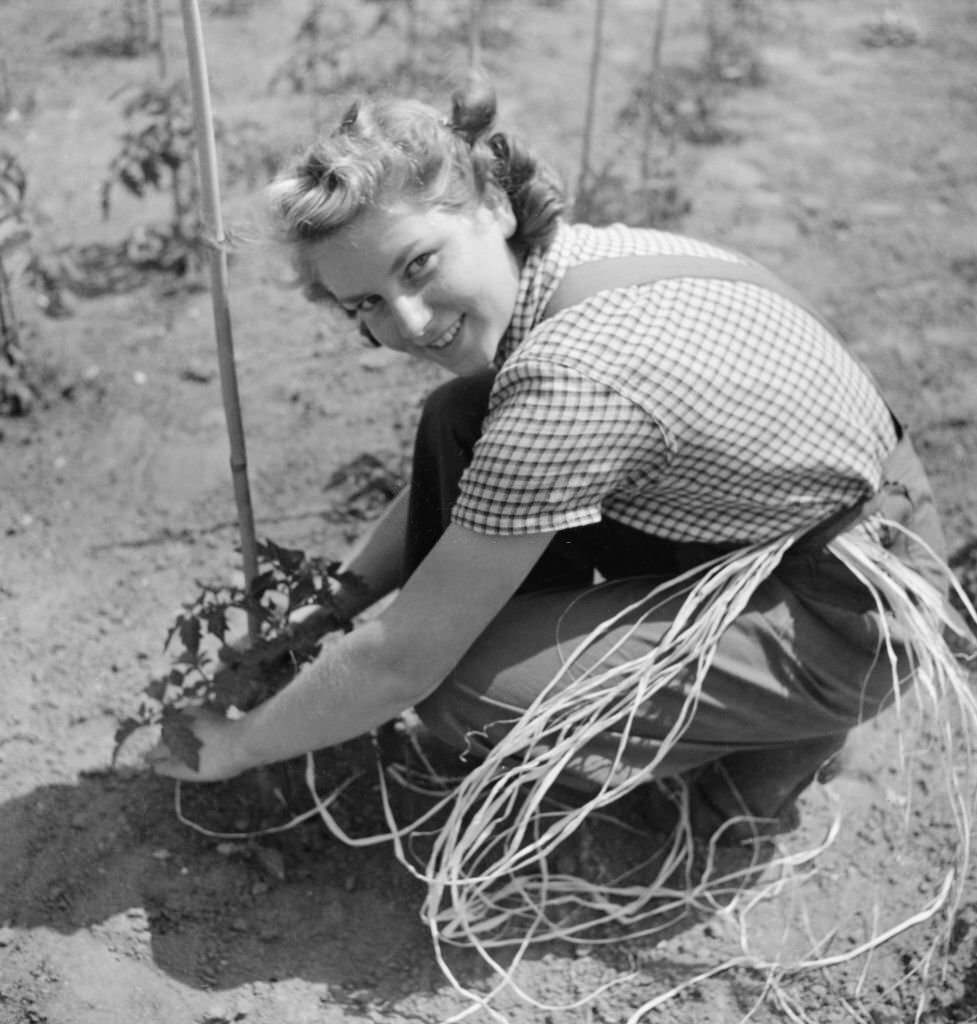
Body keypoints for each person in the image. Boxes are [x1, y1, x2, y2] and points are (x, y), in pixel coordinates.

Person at [149, 76, 956, 839]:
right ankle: (746, 699)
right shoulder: (580, 262)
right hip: (805, 521)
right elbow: (484, 480)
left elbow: (401, 664)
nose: (409, 321)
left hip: (847, 615)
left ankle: (757, 767)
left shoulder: (570, 384)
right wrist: (332, 607)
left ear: (492, 206)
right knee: (459, 419)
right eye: (366, 305)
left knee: (462, 684)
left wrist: (240, 743)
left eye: (418, 265)